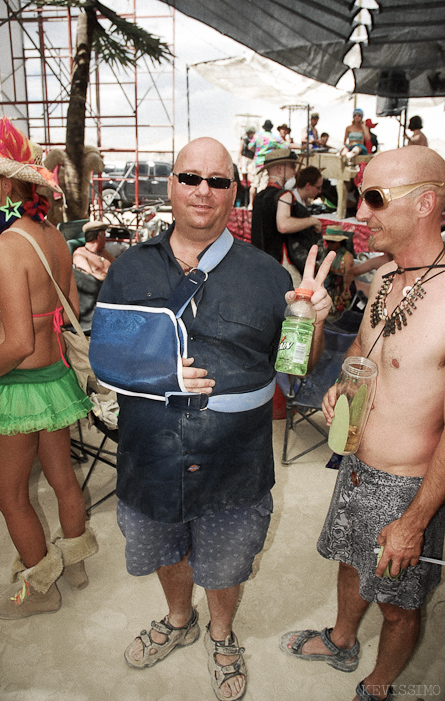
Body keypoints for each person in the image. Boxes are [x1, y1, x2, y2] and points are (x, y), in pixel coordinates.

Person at [94, 136, 334, 701]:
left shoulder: (268, 275)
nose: (204, 191)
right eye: (191, 178)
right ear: (172, 185)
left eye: (218, 181)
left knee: (227, 557)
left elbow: (297, 365)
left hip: (236, 462)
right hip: (150, 454)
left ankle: (221, 634)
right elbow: (104, 356)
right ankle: (179, 620)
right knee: (162, 546)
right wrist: (158, 373)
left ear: (235, 192)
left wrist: (314, 318)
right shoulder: (129, 269)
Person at [280, 146, 445, 701]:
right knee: (350, 563)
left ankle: (377, 687)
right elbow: (366, 360)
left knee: (400, 605)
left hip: (410, 488)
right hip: (355, 468)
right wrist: (338, 389)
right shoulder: (388, 279)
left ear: (425, 203)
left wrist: (417, 519)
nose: (360, 214)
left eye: (373, 199)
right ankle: (342, 639)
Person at [0, 118, 98, 619]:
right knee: (64, 479)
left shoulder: (6, 246)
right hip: (55, 381)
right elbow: (62, 310)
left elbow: (19, 342)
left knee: (10, 494)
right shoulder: (51, 238)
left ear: (5, 184)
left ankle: (40, 589)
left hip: (17, 384)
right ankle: (75, 562)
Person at [251, 148, 304, 262]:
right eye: (292, 166)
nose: (294, 171)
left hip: (258, 259)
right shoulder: (284, 195)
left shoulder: (259, 196)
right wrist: (312, 221)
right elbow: (283, 226)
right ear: (280, 168)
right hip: (277, 260)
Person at [319, 225, 354, 314]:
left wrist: (333, 270)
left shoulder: (347, 256)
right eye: (328, 242)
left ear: (340, 242)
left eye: (332, 242)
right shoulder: (325, 252)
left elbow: (348, 276)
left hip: (337, 293)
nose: (329, 244)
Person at [247, 119, 284, 206]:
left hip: (257, 163)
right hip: (267, 164)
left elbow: (250, 147)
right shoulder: (274, 138)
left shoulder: (257, 136)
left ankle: (250, 204)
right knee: (263, 185)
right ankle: (259, 205)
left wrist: (256, 152)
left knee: (254, 184)